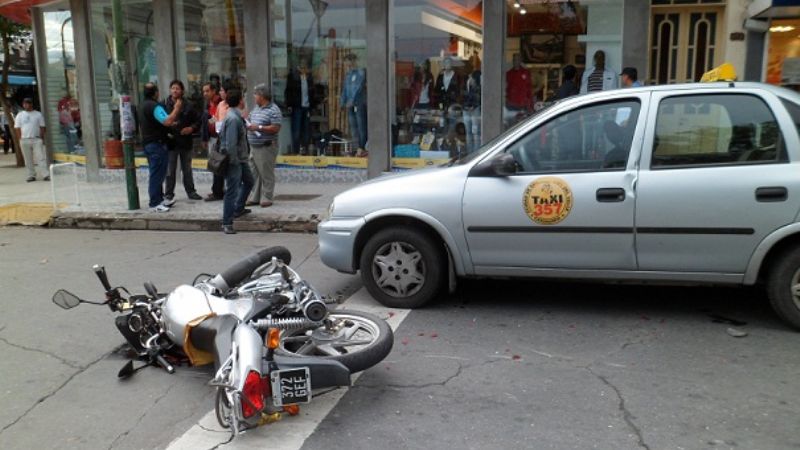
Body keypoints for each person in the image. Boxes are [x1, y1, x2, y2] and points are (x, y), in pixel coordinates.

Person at [138, 83, 183, 212]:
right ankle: (155, 202)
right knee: (157, 174)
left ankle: (159, 198)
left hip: (148, 143)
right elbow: (167, 121)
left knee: (157, 172)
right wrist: (177, 108)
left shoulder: (142, 105)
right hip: (156, 144)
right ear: (155, 93)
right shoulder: (154, 106)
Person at [220, 88, 254, 234]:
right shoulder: (233, 119)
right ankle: (227, 222)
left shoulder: (235, 116)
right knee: (232, 190)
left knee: (249, 181)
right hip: (235, 160)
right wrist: (234, 162)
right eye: (243, 98)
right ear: (240, 100)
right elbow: (231, 144)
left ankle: (238, 208)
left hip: (241, 158)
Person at [163, 80, 202, 203]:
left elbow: (198, 120)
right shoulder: (164, 104)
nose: (175, 91)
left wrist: (191, 128)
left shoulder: (189, 105)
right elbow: (161, 122)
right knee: (170, 169)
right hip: (171, 142)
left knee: (187, 169)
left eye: (177, 88)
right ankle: (169, 193)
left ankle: (191, 191)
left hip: (186, 141)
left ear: (182, 91)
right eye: (173, 88)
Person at [208, 81, 247, 200]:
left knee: (237, 174)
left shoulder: (236, 110)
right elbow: (217, 118)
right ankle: (218, 191)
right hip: (220, 139)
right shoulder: (220, 105)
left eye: (222, 91)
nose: (220, 93)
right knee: (218, 165)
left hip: (232, 143)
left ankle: (234, 197)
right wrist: (212, 121)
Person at [246, 84, 282, 208]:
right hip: (253, 147)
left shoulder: (273, 109)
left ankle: (267, 197)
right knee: (254, 173)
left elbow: (276, 127)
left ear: (262, 96)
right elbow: (250, 120)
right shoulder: (256, 108)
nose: (254, 97)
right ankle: (255, 196)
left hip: (266, 146)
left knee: (266, 173)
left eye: (255, 94)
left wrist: (259, 127)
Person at [285, 58, 317, 155]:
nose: (304, 68)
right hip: (297, 106)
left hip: (306, 106)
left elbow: (312, 92)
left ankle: (305, 149)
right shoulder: (293, 76)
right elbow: (288, 91)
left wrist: (313, 105)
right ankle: (296, 150)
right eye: (302, 66)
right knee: (297, 129)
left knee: (306, 129)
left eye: (305, 66)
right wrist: (289, 104)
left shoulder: (308, 77)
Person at [340, 53, 367, 156]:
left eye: (347, 61)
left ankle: (362, 147)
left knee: (361, 126)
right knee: (353, 127)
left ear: (353, 61)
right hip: (350, 105)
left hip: (359, 103)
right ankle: (356, 148)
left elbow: (358, 87)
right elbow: (345, 90)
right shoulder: (348, 75)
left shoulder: (360, 72)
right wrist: (342, 102)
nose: (346, 64)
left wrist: (351, 100)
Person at [14, 98, 47, 182]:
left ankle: (45, 174)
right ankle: (31, 175)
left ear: (31, 104)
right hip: (24, 140)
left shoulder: (38, 114)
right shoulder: (20, 115)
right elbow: (17, 128)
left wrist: (41, 137)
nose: (26, 105)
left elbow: (42, 126)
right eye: (24, 103)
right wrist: (20, 139)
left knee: (40, 157)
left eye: (28, 103)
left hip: (36, 139)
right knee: (28, 159)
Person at [201, 82, 224, 201]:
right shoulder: (208, 104)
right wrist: (204, 138)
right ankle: (217, 189)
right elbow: (205, 122)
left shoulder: (220, 103)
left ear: (214, 91)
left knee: (217, 165)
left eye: (207, 91)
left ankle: (218, 191)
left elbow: (218, 120)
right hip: (211, 138)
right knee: (214, 165)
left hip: (219, 138)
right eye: (204, 91)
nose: (205, 93)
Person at [505, 53, 534, 126]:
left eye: (518, 60)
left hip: (523, 105)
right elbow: (506, 89)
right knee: (511, 127)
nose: (516, 62)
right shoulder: (509, 74)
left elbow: (529, 89)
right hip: (511, 105)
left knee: (522, 127)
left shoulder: (526, 73)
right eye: (514, 60)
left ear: (520, 61)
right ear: (513, 61)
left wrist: (530, 105)